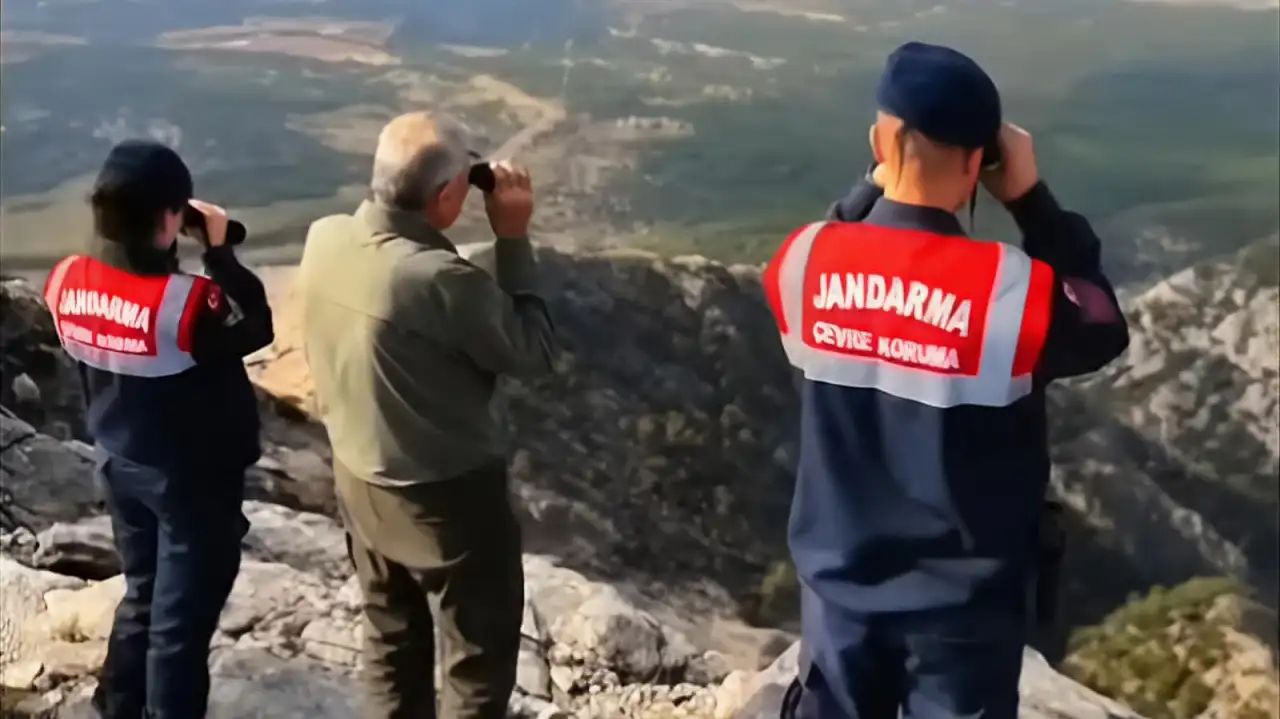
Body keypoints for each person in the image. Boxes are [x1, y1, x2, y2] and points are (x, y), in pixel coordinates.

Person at [761, 42, 1131, 719]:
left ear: (879, 141)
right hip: (962, 621)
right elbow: (1103, 321)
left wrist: (872, 187)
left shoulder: (803, 262)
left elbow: (838, 229)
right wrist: (1031, 202)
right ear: (978, 164)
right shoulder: (1013, 292)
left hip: (839, 600)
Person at [296, 110, 557, 719]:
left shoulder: (325, 235)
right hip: (448, 502)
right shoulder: (438, 279)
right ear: (445, 197)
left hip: (359, 480)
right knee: (476, 663)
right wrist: (512, 238)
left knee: (391, 638)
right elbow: (535, 352)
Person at [42, 139, 274, 719]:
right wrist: (219, 254)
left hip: (118, 460)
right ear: (171, 219)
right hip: (190, 480)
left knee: (143, 593)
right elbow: (257, 325)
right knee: (181, 625)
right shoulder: (186, 304)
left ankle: (117, 704)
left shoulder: (66, 280)